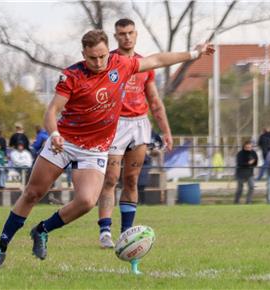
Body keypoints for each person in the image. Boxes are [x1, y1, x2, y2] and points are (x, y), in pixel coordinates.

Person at [0, 29, 214, 268]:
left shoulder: (121, 64)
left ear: (108, 51)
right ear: (83, 53)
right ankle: (0, 247)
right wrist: (53, 134)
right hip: (64, 141)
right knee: (32, 193)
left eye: (102, 56)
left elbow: (156, 60)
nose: (98, 62)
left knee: (86, 201)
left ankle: (42, 230)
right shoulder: (71, 76)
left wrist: (193, 53)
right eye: (92, 57)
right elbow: (51, 111)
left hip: (94, 149)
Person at [96, 18, 173, 248]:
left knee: (131, 180)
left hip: (139, 124)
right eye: (122, 33)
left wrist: (166, 131)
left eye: (130, 33)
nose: (126, 37)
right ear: (116, 36)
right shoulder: (107, 62)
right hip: (115, 124)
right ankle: (105, 231)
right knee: (110, 178)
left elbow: (155, 100)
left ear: (136, 34)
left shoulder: (144, 64)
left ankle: (126, 233)